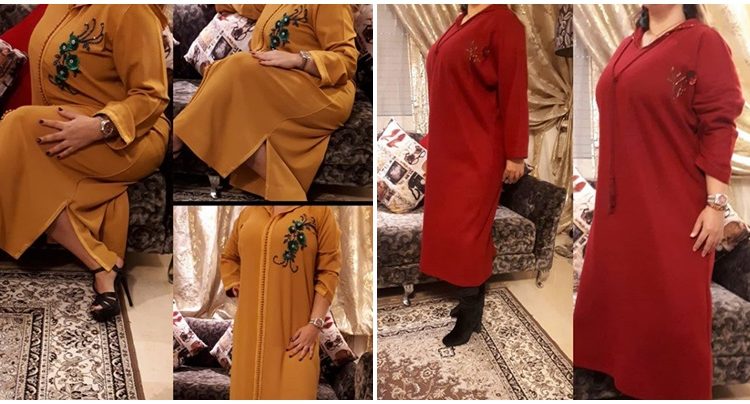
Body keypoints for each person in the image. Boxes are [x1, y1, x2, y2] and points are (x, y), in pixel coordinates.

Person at [574, 5, 743, 399]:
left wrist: (716, 205)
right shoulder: (629, 44)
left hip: (673, 213)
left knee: (672, 323)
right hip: (619, 217)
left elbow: (719, 126)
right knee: (617, 321)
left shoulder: (704, 42)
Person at [0, 5, 169, 322]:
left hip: (131, 134)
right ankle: (102, 264)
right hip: (65, 128)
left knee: (16, 127)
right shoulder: (59, 5)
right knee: (18, 149)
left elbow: (152, 96)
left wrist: (99, 126)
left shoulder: (130, 11)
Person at [420, 4, 529, 347]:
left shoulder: (504, 23)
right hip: (448, 153)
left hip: (478, 151)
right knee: (449, 232)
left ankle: (470, 312)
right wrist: (432, 144)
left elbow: (514, 90)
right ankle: (472, 299)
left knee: (466, 235)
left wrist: (516, 154)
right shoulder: (460, 22)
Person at [173, 5, 358, 201]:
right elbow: (243, 6)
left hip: (322, 90)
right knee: (225, 87)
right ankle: (286, 190)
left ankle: (176, 137)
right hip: (277, 82)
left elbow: (347, 60)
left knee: (236, 67)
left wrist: (299, 59)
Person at [220, 206, 342, 399]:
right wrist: (235, 283)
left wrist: (315, 325)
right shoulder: (249, 212)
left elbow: (329, 272)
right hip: (249, 337)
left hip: (296, 339)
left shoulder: (318, 212)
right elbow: (229, 257)